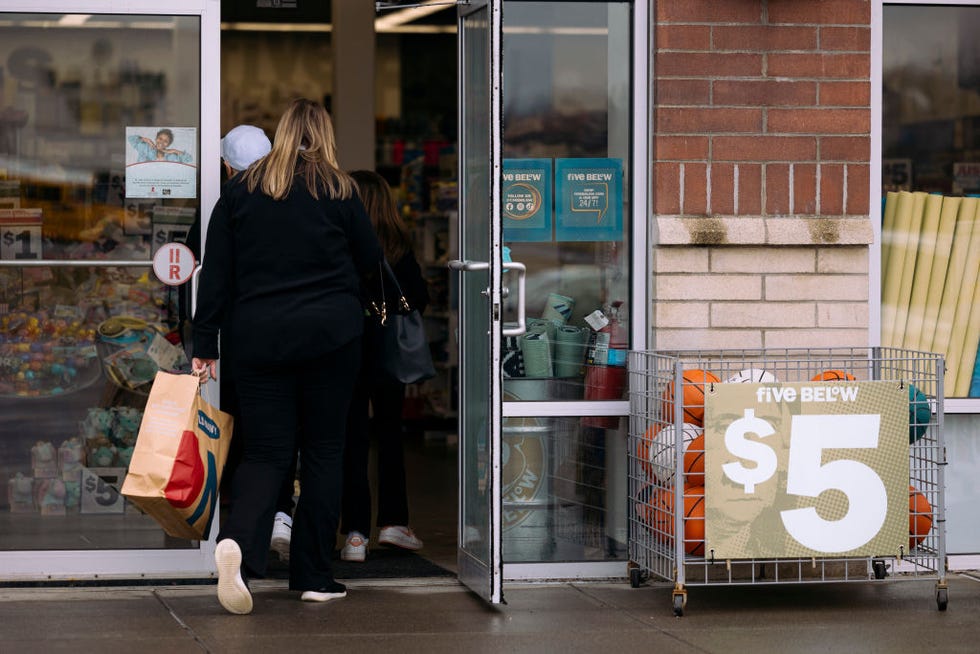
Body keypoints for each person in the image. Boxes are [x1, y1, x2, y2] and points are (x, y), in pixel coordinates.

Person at [192, 98, 382, 614]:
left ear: (279, 134)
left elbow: (216, 275)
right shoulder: (341, 190)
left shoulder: (239, 192)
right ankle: (315, 575)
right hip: (330, 339)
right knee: (323, 452)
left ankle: (238, 543)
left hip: (258, 340)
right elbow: (371, 260)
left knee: (266, 452)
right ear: (323, 135)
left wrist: (204, 343)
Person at [339, 170, 428, 562]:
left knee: (352, 440)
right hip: (390, 350)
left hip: (349, 348)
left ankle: (355, 534)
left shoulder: (343, 242)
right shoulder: (398, 244)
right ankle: (393, 523)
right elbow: (419, 297)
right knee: (390, 435)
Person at [128, 128, 194, 163]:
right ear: (156, 138)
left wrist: (175, 151)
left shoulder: (173, 157)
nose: (162, 142)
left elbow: (189, 159)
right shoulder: (145, 148)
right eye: (160, 138)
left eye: (165, 141)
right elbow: (130, 138)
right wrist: (146, 139)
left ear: (168, 144)